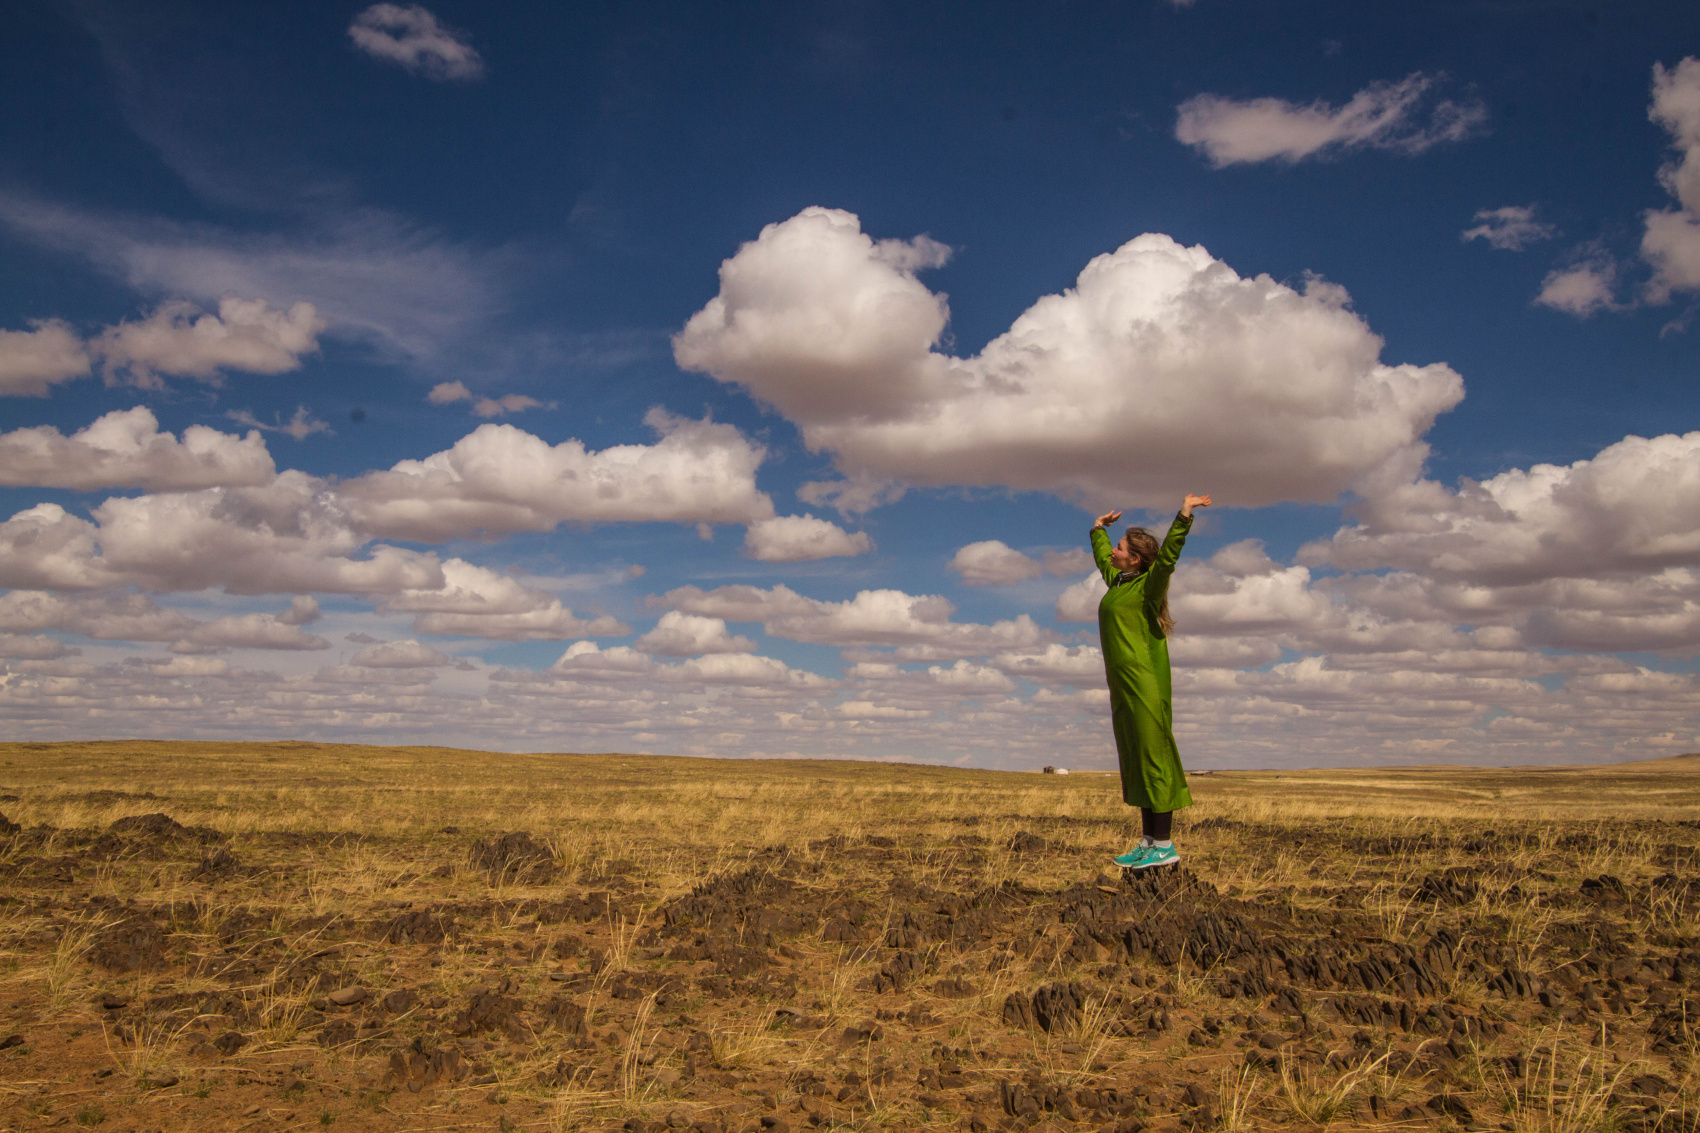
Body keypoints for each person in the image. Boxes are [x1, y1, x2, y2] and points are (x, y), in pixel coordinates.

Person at [1090, 493, 1211, 871]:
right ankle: (1147, 841)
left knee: (1155, 760)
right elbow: (1101, 556)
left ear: (1136, 559)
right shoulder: (1119, 584)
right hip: (1123, 687)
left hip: (1145, 685)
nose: (1114, 551)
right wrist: (1098, 530)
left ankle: (1164, 844)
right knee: (1137, 761)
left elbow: (1169, 559)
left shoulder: (1146, 588)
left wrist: (1184, 516)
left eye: (1120, 547)